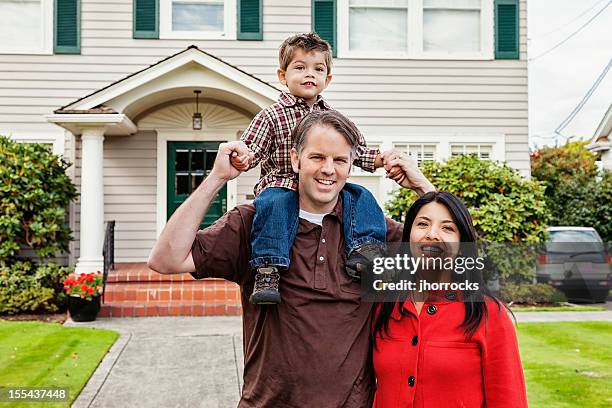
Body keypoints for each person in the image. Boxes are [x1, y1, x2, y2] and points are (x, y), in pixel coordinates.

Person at [147, 110, 435, 407]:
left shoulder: (372, 232)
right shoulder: (254, 223)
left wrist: (422, 187)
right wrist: (216, 178)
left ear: (351, 166)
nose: (328, 169)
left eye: (339, 160)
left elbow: (455, 265)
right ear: (296, 159)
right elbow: (166, 259)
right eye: (317, 157)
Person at [230, 32, 392, 305]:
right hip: (282, 184)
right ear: (283, 75)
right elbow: (252, 148)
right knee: (274, 204)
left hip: (322, 185)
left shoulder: (333, 118)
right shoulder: (271, 115)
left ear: (327, 79)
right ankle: (268, 269)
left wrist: (383, 160)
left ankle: (365, 251)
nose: (310, 74)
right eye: (300, 67)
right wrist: (242, 157)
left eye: (318, 69)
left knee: (360, 195)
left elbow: (357, 152)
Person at [372, 191, 528, 408]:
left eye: (447, 228)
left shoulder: (489, 314)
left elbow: (509, 401)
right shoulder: (384, 307)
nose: (432, 235)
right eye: (423, 224)